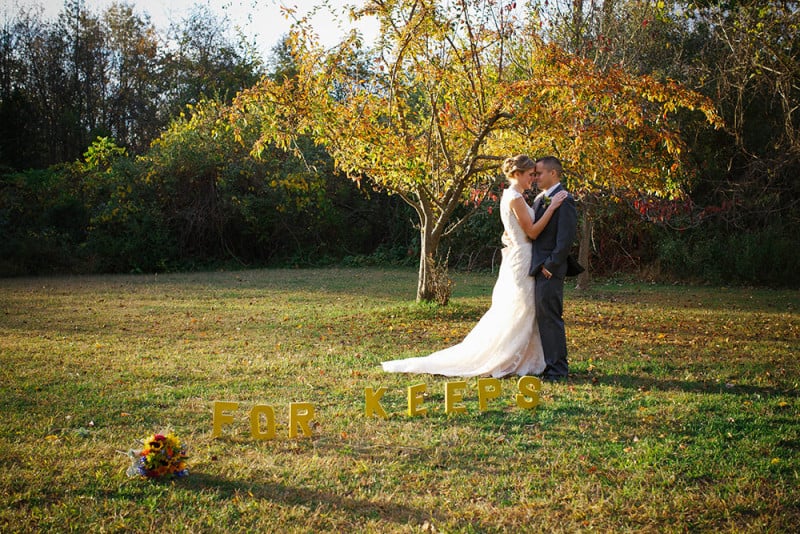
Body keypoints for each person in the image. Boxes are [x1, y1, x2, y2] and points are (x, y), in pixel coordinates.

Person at [382, 155, 566, 377]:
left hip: (522, 255)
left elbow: (518, 228)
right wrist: (552, 207)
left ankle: (528, 359)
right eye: (530, 175)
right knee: (520, 309)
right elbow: (533, 231)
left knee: (525, 310)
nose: (533, 179)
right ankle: (508, 358)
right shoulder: (515, 198)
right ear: (517, 174)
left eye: (535, 175)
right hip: (522, 259)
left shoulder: (514, 196)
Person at [529, 156, 578, 382]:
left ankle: (558, 370)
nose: (535, 177)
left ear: (553, 174)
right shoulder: (542, 199)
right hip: (538, 267)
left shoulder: (565, 200)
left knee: (551, 318)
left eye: (539, 173)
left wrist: (551, 265)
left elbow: (566, 238)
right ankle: (547, 365)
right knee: (543, 317)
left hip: (549, 269)